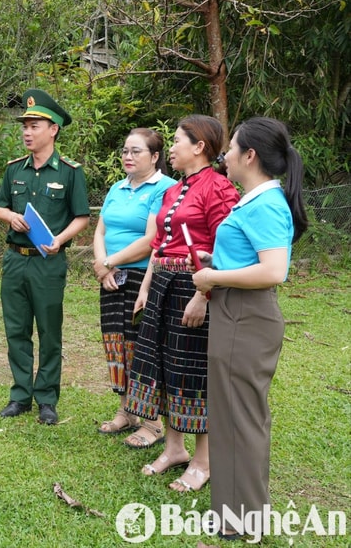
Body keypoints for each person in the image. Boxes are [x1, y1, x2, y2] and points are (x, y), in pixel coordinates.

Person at [192, 117, 307, 540]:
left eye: (231, 147)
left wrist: (214, 278)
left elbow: (274, 270)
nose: (225, 155)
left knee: (242, 418)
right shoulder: (251, 201)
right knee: (229, 416)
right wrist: (215, 263)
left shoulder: (265, 203)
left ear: (250, 156)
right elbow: (250, 259)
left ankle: (245, 520)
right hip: (234, 313)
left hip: (247, 317)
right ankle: (230, 513)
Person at [125, 115, 240, 492]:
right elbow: (160, 246)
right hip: (162, 286)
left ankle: (203, 461)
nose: (170, 148)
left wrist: (202, 296)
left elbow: (226, 249)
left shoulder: (219, 188)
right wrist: (146, 287)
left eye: (176, 141)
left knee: (193, 373)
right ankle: (174, 448)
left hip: (194, 289)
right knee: (164, 365)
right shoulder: (173, 190)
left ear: (199, 146)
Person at [0, 89, 90, 425]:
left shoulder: (69, 171)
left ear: (54, 130)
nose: (27, 131)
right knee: (16, 330)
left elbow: (81, 216)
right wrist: (10, 217)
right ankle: (20, 395)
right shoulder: (13, 170)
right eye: (25, 125)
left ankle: (46, 398)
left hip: (49, 262)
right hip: (15, 260)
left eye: (35, 125)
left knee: (49, 331)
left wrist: (61, 240)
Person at [93, 129, 176, 445]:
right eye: (125, 151)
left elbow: (150, 239)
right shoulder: (117, 187)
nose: (128, 156)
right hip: (112, 277)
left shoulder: (164, 188)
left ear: (155, 157)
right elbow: (100, 231)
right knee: (116, 343)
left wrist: (109, 261)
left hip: (143, 278)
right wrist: (103, 267)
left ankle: (153, 420)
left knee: (143, 346)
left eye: (136, 151)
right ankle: (126, 410)